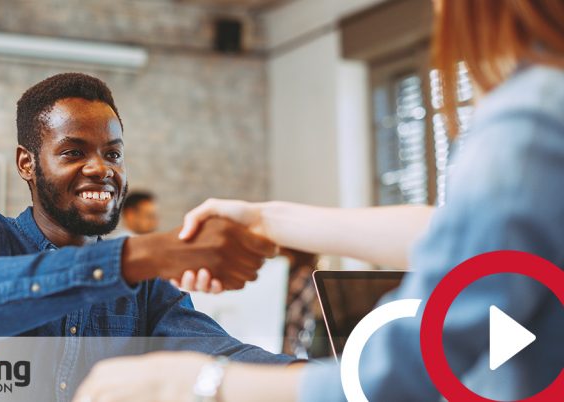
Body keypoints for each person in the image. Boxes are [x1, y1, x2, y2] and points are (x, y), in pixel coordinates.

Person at [72, 1, 564, 401]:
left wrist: (201, 385)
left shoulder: (531, 120)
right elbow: (460, 233)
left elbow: (402, 371)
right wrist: (265, 218)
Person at [0, 73, 298, 397]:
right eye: (73, 152)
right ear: (27, 163)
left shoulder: (146, 286)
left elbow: (219, 354)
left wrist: (318, 379)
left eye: (113, 155)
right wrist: (143, 254)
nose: (101, 169)